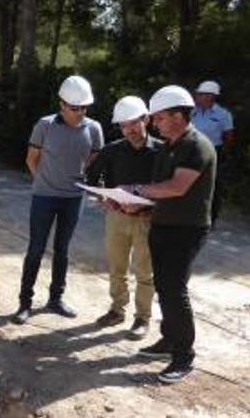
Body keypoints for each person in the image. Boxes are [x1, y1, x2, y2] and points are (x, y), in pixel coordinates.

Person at [125, 85, 216, 384]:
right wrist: (131, 204)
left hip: (186, 230)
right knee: (164, 287)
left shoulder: (197, 146)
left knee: (175, 291)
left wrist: (135, 190)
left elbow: (177, 187)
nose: (154, 123)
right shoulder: (168, 146)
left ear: (179, 115)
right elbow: (159, 191)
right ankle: (168, 341)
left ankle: (184, 356)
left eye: (160, 117)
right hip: (162, 225)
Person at [12, 75, 104, 325]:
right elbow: (31, 158)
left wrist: (80, 179)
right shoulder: (45, 125)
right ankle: (24, 303)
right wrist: (43, 181)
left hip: (74, 199)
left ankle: (56, 299)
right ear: (62, 104)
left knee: (62, 251)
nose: (80, 112)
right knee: (36, 249)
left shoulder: (94, 128)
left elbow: (94, 158)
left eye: (84, 107)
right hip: (44, 196)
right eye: (75, 108)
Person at [85, 96, 160, 340]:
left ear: (146, 120)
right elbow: (92, 179)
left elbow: (169, 188)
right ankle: (117, 310)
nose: (129, 130)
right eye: (124, 125)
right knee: (117, 268)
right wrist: (104, 198)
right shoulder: (112, 150)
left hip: (148, 220)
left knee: (145, 272)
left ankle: (142, 318)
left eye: (134, 123)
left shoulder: (162, 151)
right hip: (117, 218)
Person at [191, 80, 233, 226]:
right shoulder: (192, 112)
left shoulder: (223, 114)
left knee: (213, 186)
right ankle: (192, 216)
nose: (197, 96)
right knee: (190, 183)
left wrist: (222, 155)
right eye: (198, 94)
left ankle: (210, 219)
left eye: (201, 94)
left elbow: (228, 137)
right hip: (192, 150)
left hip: (214, 151)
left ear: (211, 96)